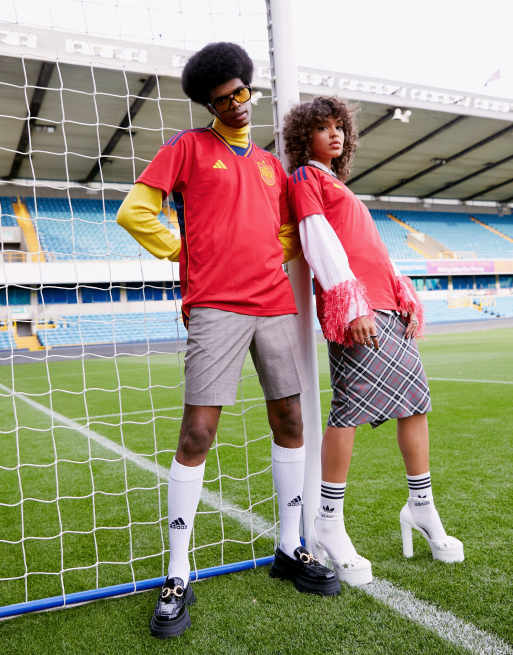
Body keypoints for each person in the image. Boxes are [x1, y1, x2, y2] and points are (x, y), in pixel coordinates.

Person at [117, 44, 339, 639]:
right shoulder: (187, 148)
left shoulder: (270, 166)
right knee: (198, 431)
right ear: (209, 102)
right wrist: (183, 251)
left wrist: (269, 256)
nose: (237, 105)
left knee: (291, 420)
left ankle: (290, 549)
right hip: (214, 306)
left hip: (273, 304)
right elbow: (135, 212)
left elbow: (289, 232)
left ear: (250, 90)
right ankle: (177, 572)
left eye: (242, 94)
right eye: (223, 99)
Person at [284, 96, 464, 587]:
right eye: (323, 129)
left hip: (388, 306)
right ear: (305, 138)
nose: (335, 135)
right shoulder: (307, 179)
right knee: (348, 413)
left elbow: (373, 248)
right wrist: (351, 300)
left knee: (415, 405)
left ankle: (421, 507)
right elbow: (317, 239)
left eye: (339, 127)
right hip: (358, 310)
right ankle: (328, 521)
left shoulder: (339, 183)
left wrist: (402, 293)